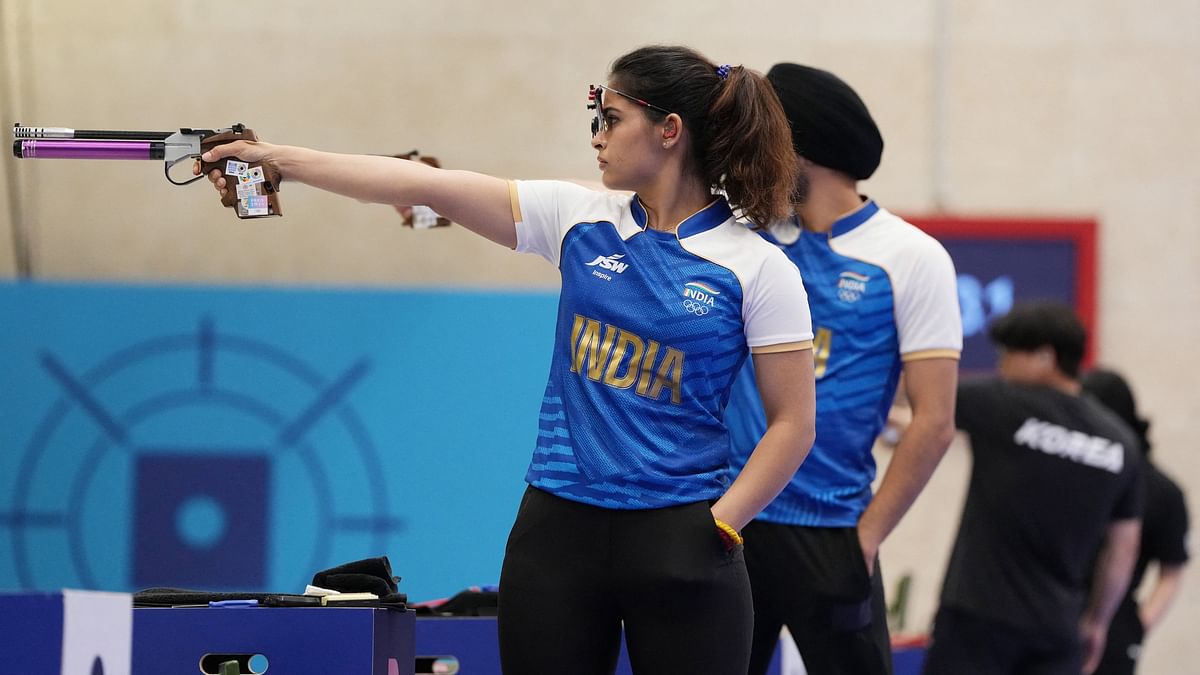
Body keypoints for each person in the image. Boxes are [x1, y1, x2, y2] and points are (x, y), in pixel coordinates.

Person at [201, 45, 817, 674]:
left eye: (611, 118)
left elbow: (793, 423)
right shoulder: (578, 217)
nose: (597, 138)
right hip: (557, 531)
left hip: (682, 535)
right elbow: (421, 184)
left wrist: (721, 525)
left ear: (669, 130)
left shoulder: (758, 267)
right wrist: (275, 160)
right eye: (595, 118)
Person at [722, 63, 962, 675]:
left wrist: (867, 537)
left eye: (768, 139)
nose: (755, 153)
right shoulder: (749, 239)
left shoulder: (911, 257)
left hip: (833, 532)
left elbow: (933, 422)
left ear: (802, 149)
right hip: (731, 520)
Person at [923, 302, 1143, 675]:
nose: (1001, 366)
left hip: (977, 617)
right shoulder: (1120, 442)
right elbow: (1123, 549)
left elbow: (922, 408)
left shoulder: (1001, 404)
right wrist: (1097, 622)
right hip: (1057, 629)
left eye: (1009, 354)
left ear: (1045, 356)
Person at [1081, 368, 1190, 675]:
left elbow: (1173, 569)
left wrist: (1139, 625)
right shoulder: (1068, 476)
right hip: (1054, 614)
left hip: (1114, 620)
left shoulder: (1160, 490)